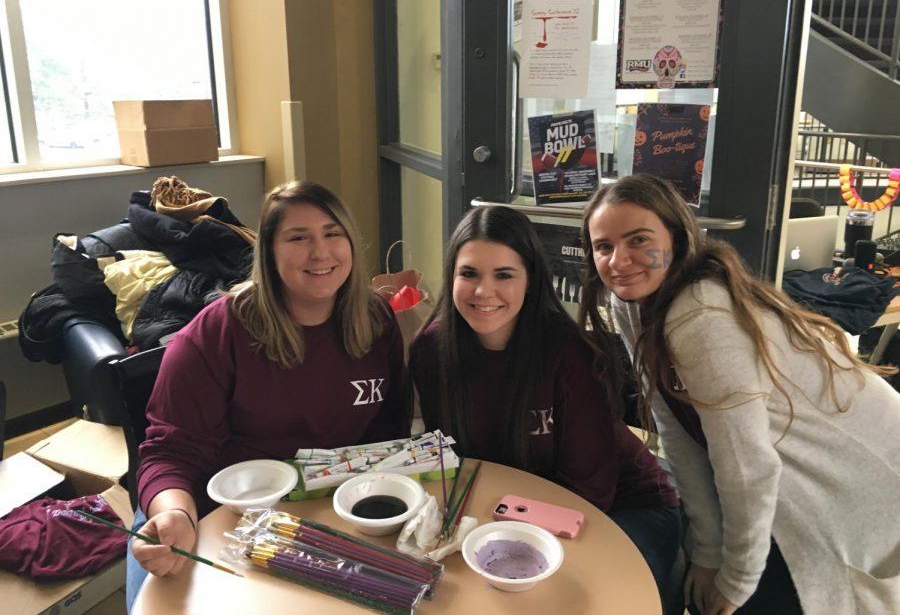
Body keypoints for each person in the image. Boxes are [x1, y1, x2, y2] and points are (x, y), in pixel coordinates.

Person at [580, 174, 900, 615]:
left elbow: (746, 467)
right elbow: (679, 436)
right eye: (604, 246)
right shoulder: (631, 303)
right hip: (780, 473)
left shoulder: (703, 316)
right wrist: (709, 553)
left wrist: (735, 581)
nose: (620, 260)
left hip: (857, 477)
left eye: (638, 240)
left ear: (676, 238)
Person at [126, 181, 409, 610]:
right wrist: (173, 515)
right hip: (220, 520)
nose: (320, 252)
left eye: (333, 233)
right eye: (298, 237)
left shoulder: (376, 320)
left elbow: (388, 430)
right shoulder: (214, 334)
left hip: (326, 509)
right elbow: (169, 453)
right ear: (269, 253)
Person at [408, 205, 681, 601]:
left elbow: (592, 493)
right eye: (469, 273)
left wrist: (499, 527)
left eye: (504, 275)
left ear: (532, 281)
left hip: (620, 510)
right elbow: (454, 460)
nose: (484, 292)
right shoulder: (430, 351)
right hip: (509, 510)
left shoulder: (571, 355)